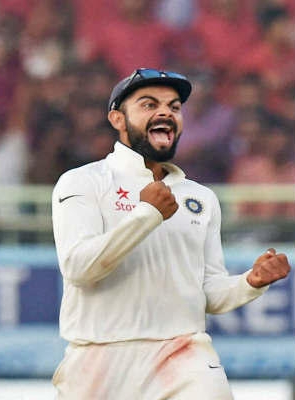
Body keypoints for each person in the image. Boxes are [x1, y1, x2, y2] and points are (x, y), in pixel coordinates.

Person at [50, 68, 291, 399]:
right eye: (149, 105)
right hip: (98, 357)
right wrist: (146, 215)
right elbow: (78, 268)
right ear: (118, 119)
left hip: (182, 353)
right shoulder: (83, 181)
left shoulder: (201, 198)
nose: (165, 112)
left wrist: (250, 282)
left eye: (174, 107)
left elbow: (208, 292)